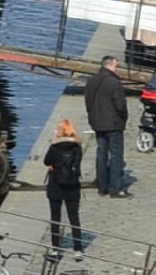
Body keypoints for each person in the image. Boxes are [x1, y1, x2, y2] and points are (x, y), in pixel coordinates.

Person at [83, 54, 130, 197]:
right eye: (116, 66)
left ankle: (102, 187)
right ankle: (114, 188)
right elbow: (120, 106)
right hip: (113, 124)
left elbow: (88, 102)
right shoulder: (114, 83)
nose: (117, 69)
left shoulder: (91, 81)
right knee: (116, 156)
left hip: (97, 123)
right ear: (110, 65)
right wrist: (123, 118)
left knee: (101, 154)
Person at [42, 119, 86, 253]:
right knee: (74, 217)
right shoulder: (77, 147)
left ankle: (55, 248)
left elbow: (46, 161)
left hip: (56, 185)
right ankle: (78, 249)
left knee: (55, 217)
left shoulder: (54, 148)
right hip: (73, 186)